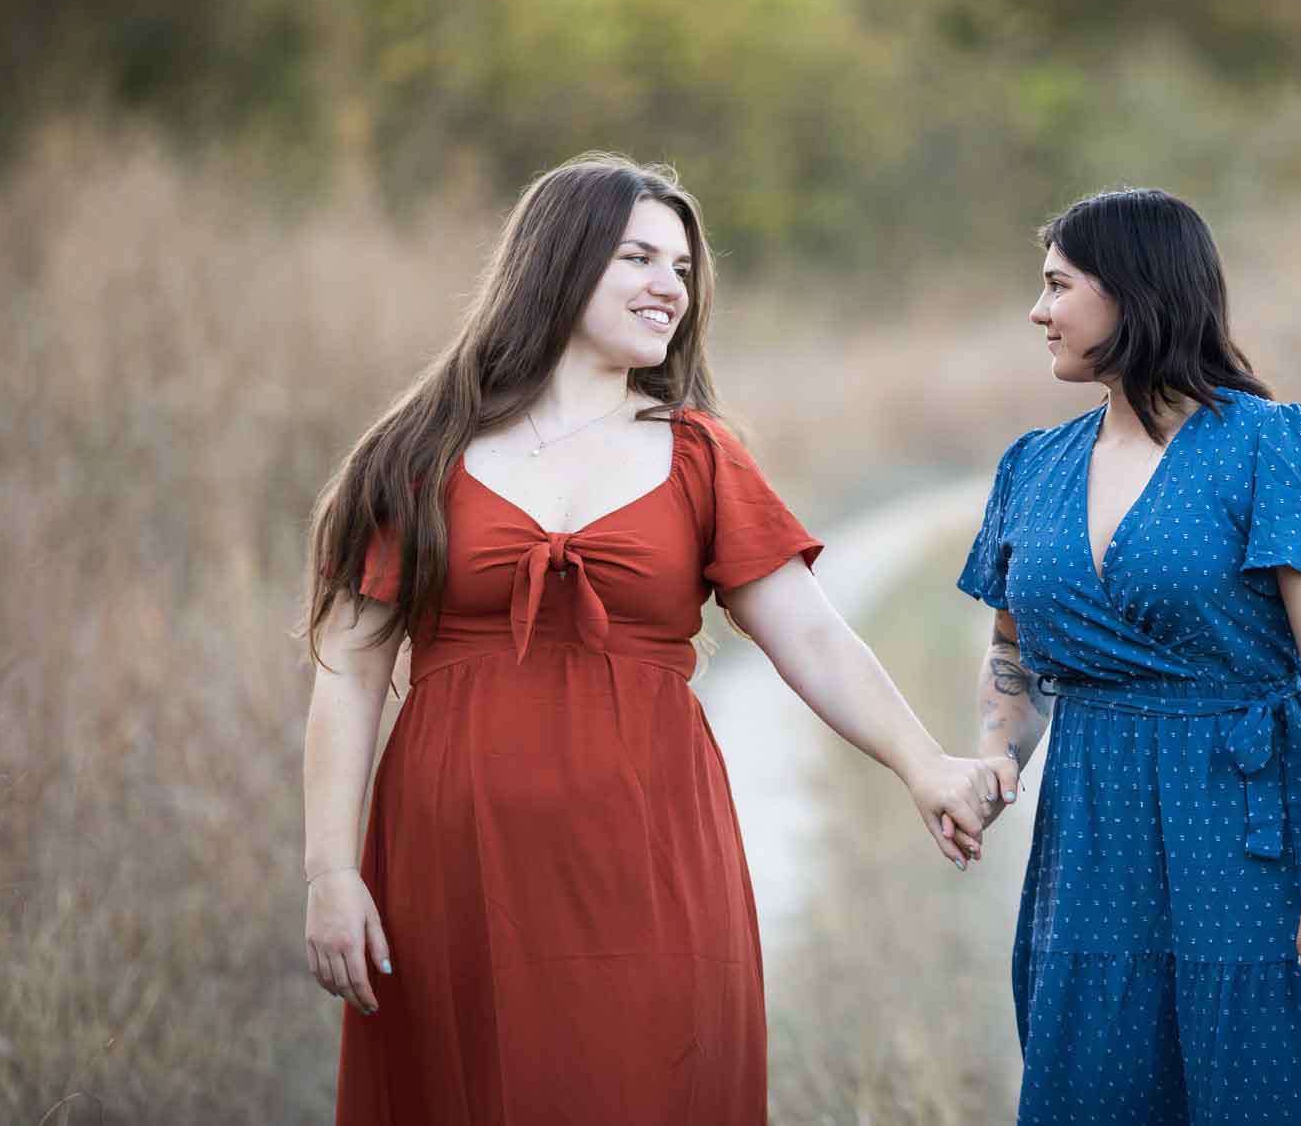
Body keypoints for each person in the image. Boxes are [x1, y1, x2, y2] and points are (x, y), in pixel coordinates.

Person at [300, 152, 998, 1125]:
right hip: (451, 864)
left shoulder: (699, 456)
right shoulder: (418, 456)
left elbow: (810, 632)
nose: (667, 286)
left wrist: (922, 764)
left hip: (649, 856)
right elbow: (348, 676)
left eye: (679, 268)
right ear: (557, 263)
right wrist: (331, 873)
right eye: (637, 258)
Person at [960, 187, 1301, 1125]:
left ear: (1136, 293)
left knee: (1261, 1080)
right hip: (1092, 827)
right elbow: (1015, 653)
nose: (1038, 311)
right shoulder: (1031, 465)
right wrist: (998, 756)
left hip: (1247, 827)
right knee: (1094, 1079)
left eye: (1058, 285)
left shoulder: (1277, 446)